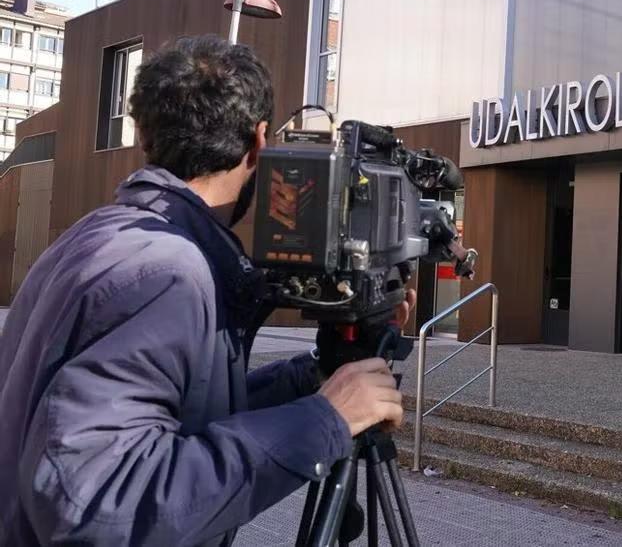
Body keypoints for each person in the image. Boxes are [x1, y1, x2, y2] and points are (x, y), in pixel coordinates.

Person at [0, 35, 412, 546]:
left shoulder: (102, 235)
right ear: (259, 141)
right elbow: (101, 507)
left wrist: (314, 380)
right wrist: (324, 422)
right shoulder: (164, 273)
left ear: (146, 136)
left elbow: (182, 414)